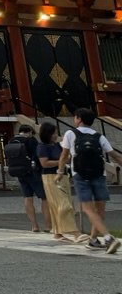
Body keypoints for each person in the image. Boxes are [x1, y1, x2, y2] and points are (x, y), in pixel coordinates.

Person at [56, 107, 122, 252]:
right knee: (100, 209)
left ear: (79, 119)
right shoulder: (99, 136)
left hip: (80, 175)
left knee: (88, 208)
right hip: (99, 174)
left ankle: (108, 238)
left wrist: (60, 172)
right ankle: (93, 240)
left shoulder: (70, 133)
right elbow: (115, 155)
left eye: (75, 117)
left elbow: (64, 155)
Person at [37, 121, 86, 244]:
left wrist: (64, 161)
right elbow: (44, 163)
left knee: (60, 204)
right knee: (63, 205)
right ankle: (75, 232)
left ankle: (58, 233)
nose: (55, 135)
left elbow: (67, 158)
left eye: (56, 133)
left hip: (63, 175)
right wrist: (61, 161)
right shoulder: (42, 147)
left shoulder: (58, 146)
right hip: (50, 176)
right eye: (53, 133)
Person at [6, 123, 47, 232]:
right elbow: (38, 156)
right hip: (33, 173)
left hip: (19, 173)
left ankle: (34, 226)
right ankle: (48, 225)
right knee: (43, 198)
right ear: (30, 132)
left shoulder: (12, 141)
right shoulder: (31, 141)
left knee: (27, 198)